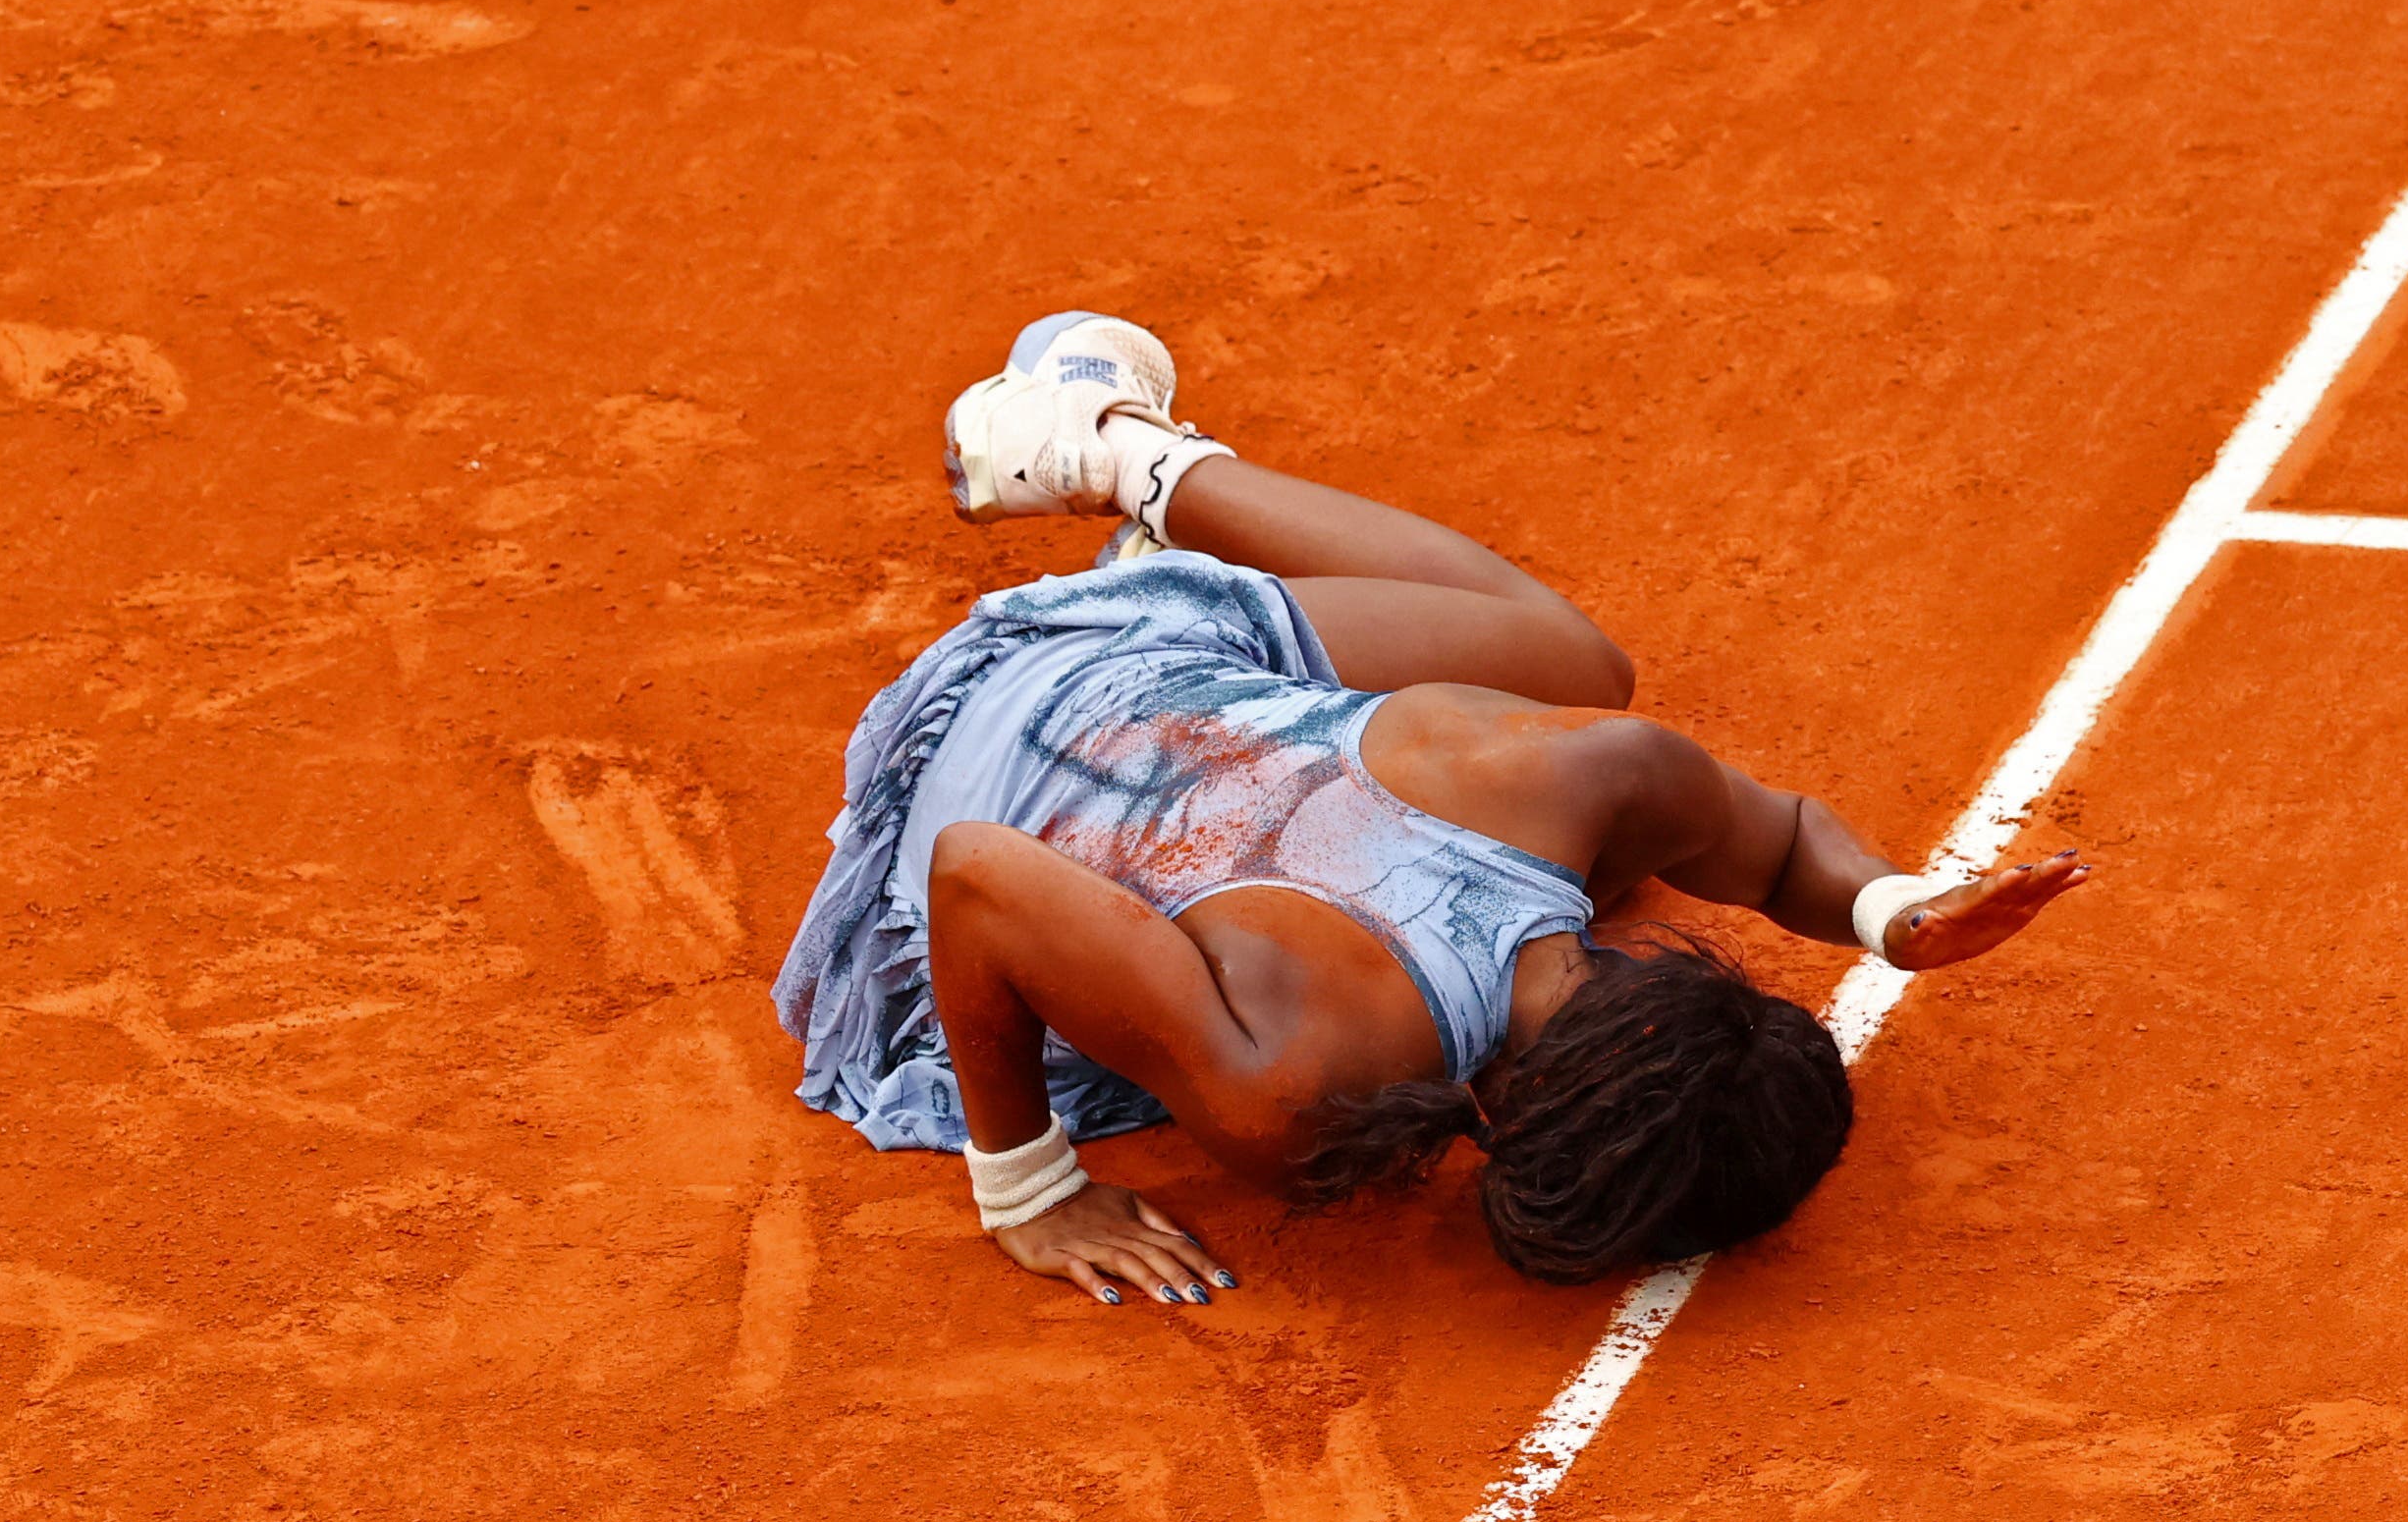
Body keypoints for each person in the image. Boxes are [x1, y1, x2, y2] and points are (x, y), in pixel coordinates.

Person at [773, 313, 2089, 1309]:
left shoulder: (1591, 778)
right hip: (972, 737)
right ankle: (1111, 454)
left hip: (1152, 649)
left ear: (1661, 968)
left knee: (1577, 667)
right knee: (1564, 698)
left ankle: (1115, 449)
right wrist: (1029, 1188)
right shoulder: (1295, 1093)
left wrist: (1887, 909)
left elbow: (1788, 840)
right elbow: (974, 881)